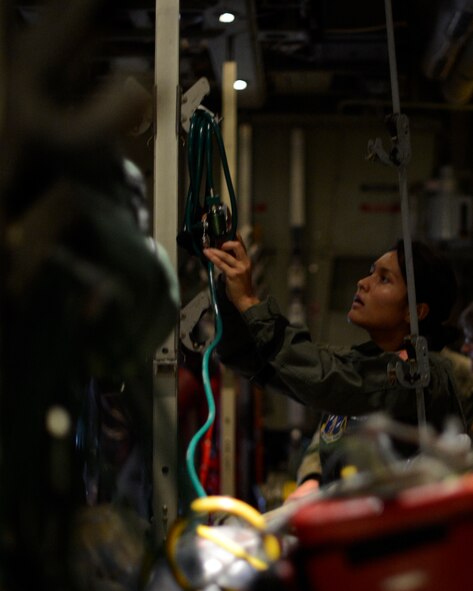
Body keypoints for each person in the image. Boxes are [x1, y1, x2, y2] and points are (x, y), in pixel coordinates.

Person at [203, 236, 466, 492]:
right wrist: (230, 294)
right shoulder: (362, 362)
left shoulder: (423, 377)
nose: (363, 283)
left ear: (415, 311)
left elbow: (324, 378)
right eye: (370, 273)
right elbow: (252, 358)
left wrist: (250, 302)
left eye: (384, 279)